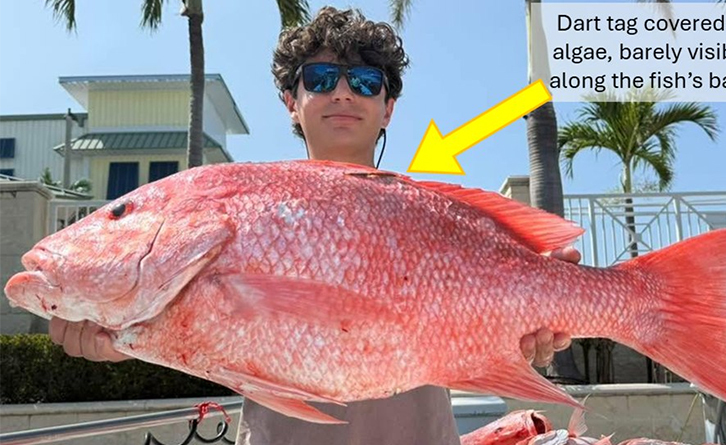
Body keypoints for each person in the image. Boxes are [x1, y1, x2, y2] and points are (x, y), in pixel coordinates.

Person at [49, 6, 580, 445]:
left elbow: (499, 321)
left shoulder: (435, 212)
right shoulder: (243, 208)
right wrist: (113, 335)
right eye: (321, 79)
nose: (343, 92)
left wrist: (538, 312)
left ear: (388, 108)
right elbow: (205, 333)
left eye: (366, 82)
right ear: (291, 102)